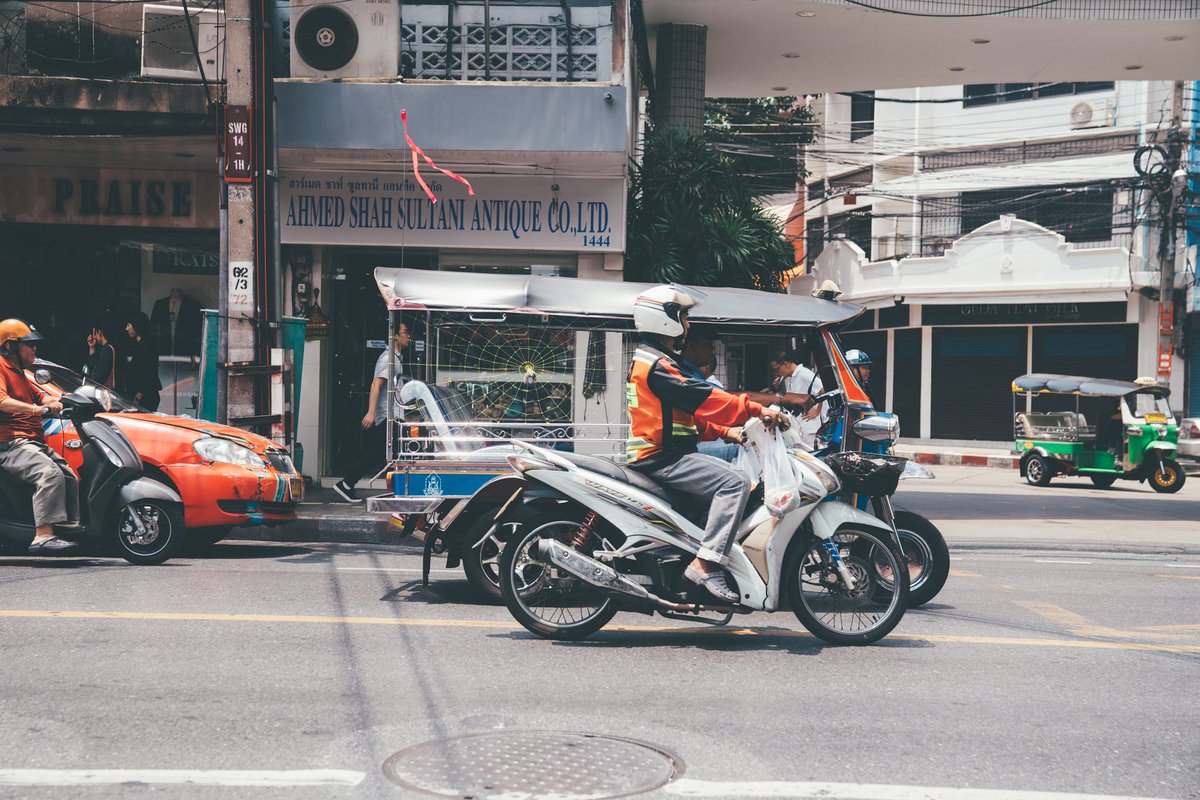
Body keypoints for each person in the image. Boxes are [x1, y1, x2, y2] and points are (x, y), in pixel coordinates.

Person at [626, 285, 786, 603]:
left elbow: (691, 414)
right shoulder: (660, 365)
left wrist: (730, 433)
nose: (688, 324)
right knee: (736, 482)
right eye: (683, 316)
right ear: (664, 319)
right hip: (662, 457)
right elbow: (709, 400)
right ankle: (706, 564)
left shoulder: (656, 359)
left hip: (668, 453)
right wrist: (759, 409)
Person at [0, 319, 80, 552]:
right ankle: (43, 535)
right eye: (29, 345)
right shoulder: (1, 367)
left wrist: (55, 401)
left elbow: (42, 396)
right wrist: (37, 410)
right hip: (11, 443)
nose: (34, 349)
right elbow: (2, 401)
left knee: (68, 475)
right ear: (9, 346)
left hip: (31, 441)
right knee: (49, 473)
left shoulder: (22, 373)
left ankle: (65, 527)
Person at [334, 323, 411, 502]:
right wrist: (371, 412)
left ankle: (348, 484)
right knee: (383, 453)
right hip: (388, 416)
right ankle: (347, 484)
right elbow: (376, 384)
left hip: (394, 415)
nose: (408, 336)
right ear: (395, 337)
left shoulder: (396, 359)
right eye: (405, 333)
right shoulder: (388, 359)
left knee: (388, 454)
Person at [769, 349, 826, 450]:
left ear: (785, 364)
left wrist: (818, 411)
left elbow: (823, 389)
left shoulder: (804, 374)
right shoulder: (787, 377)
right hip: (797, 425)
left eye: (777, 370)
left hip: (809, 426)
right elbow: (784, 397)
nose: (776, 373)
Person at [124, 311, 161, 412]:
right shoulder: (143, 344)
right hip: (144, 397)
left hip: (144, 398)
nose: (126, 329)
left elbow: (146, 372)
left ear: (137, 325)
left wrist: (137, 398)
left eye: (128, 325)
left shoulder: (146, 346)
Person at [84, 322, 117, 389]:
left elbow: (100, 375)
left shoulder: (106, 349)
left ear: (99, 332)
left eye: (95, 334)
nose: (94, 337)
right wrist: (92, 347)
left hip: (103, 390)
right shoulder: (107, 348)